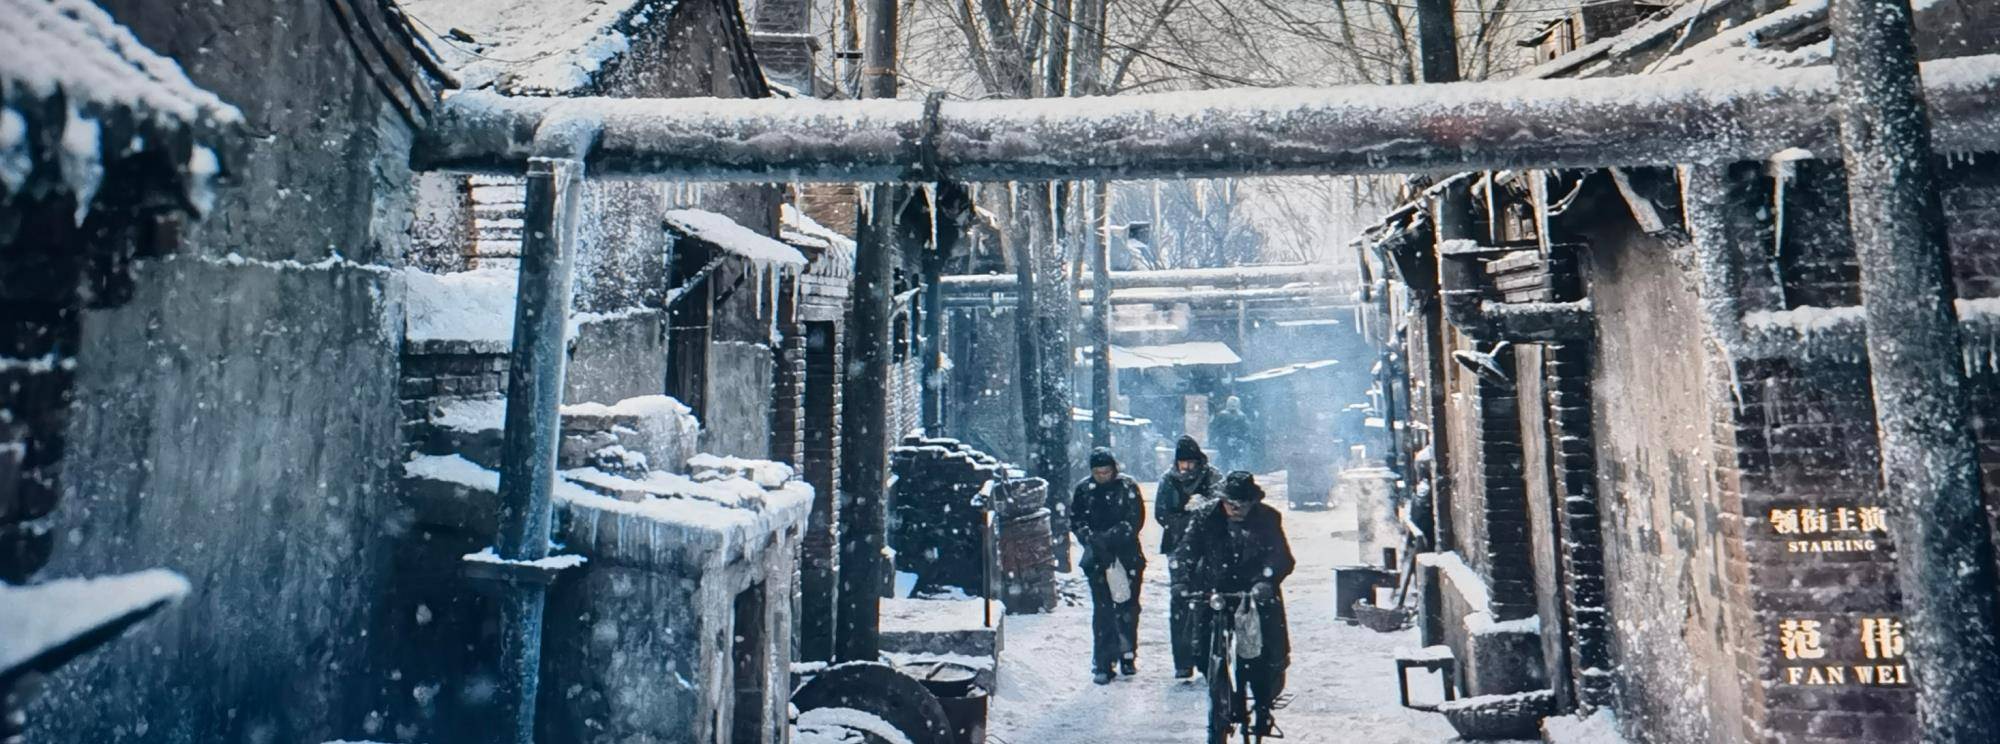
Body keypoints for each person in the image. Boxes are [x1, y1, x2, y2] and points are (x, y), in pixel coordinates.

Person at [1180, 471, 1295, 738]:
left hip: (1254, 593)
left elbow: (1281, 557)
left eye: (1243, 504)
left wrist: (1265, 581)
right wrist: (1182, 581)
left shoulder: (1268, 518)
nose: (1236, 509)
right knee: (1201, 647)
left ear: (1253, 502)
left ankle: (1263, 705)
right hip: (1215, 592)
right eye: (1231, 503)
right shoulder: (1204, 518)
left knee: (1263, 652)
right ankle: (1223, 697)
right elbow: (1186, 551)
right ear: (1222, 500)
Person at [1071, 447, 1147, 685]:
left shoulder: (1127, 487)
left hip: (1127, 556)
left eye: (1106, 471)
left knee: (1127, 607)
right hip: (1097, 560)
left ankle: (1126, 653)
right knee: (1103, 610)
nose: (1103, 476)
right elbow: (1076, 519)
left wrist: (1111, 537)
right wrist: (1090, 537)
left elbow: (1135, 520)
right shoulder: (1084, 490)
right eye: (1098, 472)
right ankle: (1103, 661)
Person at [1155, 435, 1223, 679]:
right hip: (1177, 547)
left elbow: (1221, 507)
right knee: (1180, 601)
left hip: (1207, 548)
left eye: (1190, 464)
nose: (1186, 469)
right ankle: (1183, 661)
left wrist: (1203, 510)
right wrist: (1186, 520)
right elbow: (1162, 514)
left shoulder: (1212, 477)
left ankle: (1206, 658)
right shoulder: (1168, 481)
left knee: (1208, 601)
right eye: (1182, 464)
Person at [1208, 395, 1251, 472]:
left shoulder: (1223, 414)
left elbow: (1214, 427)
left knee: (1225, 459)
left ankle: (1225, 473)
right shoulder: (1241, 415)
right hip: (1233, 440)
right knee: (1234, 459)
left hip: (1226, 440)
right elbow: (1246, 429)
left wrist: (1213, 439)